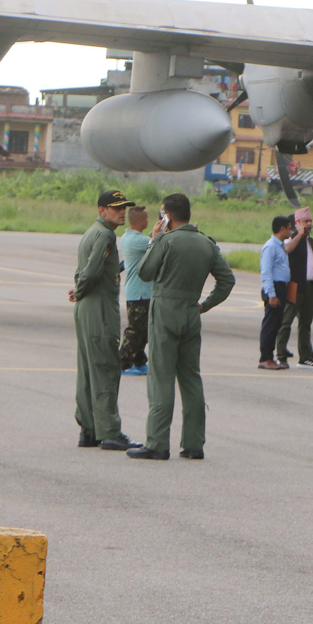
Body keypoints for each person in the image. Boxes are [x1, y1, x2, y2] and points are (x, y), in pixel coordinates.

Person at [126, 193, 236, 460]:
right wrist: (205, 305)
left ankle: (157, 442)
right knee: (190, 378)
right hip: (190, 311)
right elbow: (227, 280)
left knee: (161, 377)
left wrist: (154, 240)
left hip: (165, 312)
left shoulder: (166, 241)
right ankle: (194, 443)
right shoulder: (206, 243)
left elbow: (145, 272)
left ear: (168, 216)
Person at [71, 189, 141, 450]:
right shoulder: (105, 235)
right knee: (105, 368)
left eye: (123, 207)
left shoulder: (93, 231)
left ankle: (89, 429)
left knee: (89, 370)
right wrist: (79, 289)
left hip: (88, 305)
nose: (122, 212)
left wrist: (79, 289)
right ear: (102, 210)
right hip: (98, 307)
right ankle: (109, 431)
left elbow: (92, 269)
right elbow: (90, 272)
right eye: (116, 208)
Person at [278, 208, 313, 369]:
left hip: (310, 287)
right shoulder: (290, 240)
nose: (309, 224)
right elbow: (287, 250)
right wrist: (299, 234)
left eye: (310, 221)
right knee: (287, 321)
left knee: (306, 323)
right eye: (305, 221)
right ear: (297, 223)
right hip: (294, 286)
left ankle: (305, 357)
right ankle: (281, 355)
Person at [118, 204, 153, 376]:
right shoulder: (139, 240)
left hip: (138, 291)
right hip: (140, 292)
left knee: (143, 329)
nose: (148, 221)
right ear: (140, 221)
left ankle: (139, 361)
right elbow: (160, 246)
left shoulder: (126, 237)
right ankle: (121, 363)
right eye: (146, 218)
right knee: (135, 330)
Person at [258, 216, 293, 371]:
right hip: (274, 288)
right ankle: (265, 358)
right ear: (282, 229)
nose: (290, 231)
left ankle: (270, 357)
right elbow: (266, 272)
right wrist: (271, 294)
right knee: (270, 325)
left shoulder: (280, 246)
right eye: (289, 228)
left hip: (281, 287)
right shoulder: (271, 246)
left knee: (276, 324)